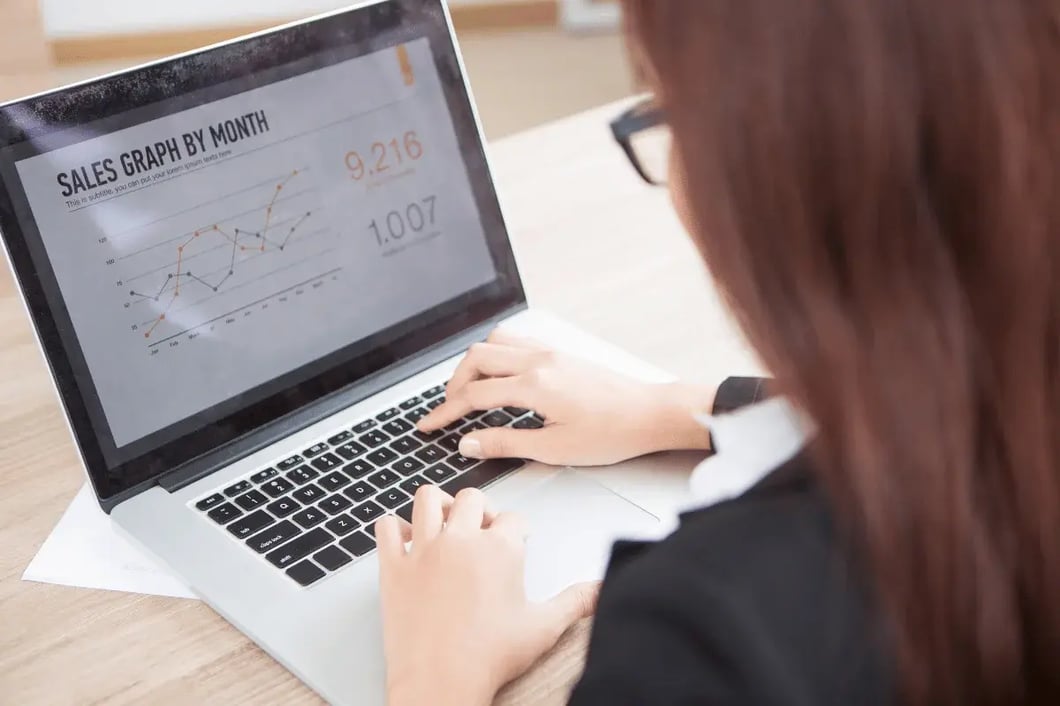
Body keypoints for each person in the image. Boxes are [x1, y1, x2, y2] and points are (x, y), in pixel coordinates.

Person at [374, 1, 1060, 705]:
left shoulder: (700, 642)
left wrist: (436, 673)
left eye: (666, 111)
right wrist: (685, 408)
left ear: (763, 178)